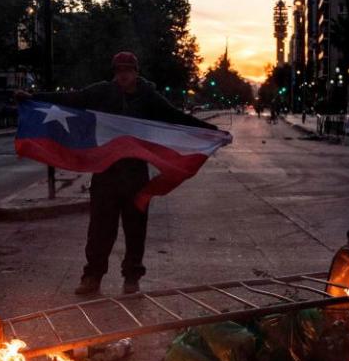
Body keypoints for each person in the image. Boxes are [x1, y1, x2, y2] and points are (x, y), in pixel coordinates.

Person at [14, 52, 222, 296]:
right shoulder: (102, 92)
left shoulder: (149, 97)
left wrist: (211, 131)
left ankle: (131, 278)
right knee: (100, 229)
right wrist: (33, 98)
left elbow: (175, 117)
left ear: (136, 72)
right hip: (106, 172)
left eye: (128, 70)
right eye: (119, 70)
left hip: (135, 174)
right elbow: (72, 99)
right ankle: (92, 276)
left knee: (135, 230)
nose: (123, 74)